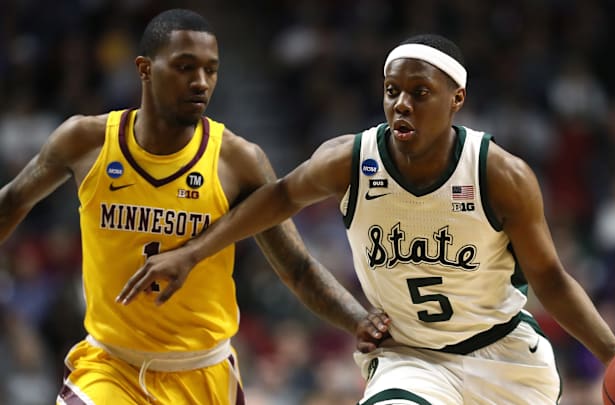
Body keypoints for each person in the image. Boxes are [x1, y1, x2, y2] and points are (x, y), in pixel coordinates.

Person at [118, 33, 615, 404]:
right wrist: (193, 252)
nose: (400, 104)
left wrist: (614, 356)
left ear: (457, 100)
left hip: (503, 356)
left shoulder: (500, 174)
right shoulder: (350, 159)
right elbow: (276, 199)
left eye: (419, 93)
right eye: (391, 90)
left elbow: (552, 279)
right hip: (411, 358)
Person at [0, 9, 388, 405]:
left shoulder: (238, 161)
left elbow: (298, 268)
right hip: (109, 366)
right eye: (185, 67)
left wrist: (360, 320)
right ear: (145, 69)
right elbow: (12, 200)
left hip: (203, 374)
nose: (200, 82)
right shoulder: (86, 140)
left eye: (211, 70)